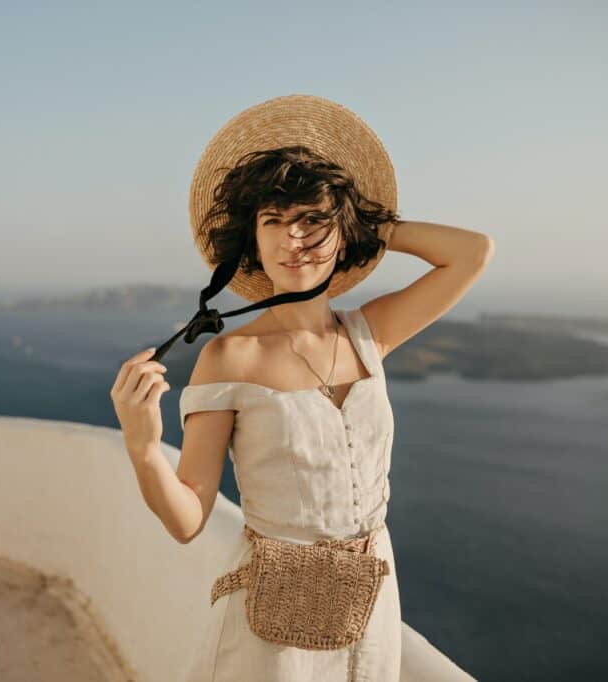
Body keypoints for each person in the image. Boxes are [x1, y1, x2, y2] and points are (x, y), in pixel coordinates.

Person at [111, 94, 490, 681]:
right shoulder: (228, 356)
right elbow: (188, 520)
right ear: (253, 241)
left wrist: (364, 221)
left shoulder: (371, 334)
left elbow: (471, 254)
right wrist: (141, 446)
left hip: (372, 602)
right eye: (275, 222)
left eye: (312, 221)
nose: (295, 240)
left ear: (341, 234)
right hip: (272, 626)